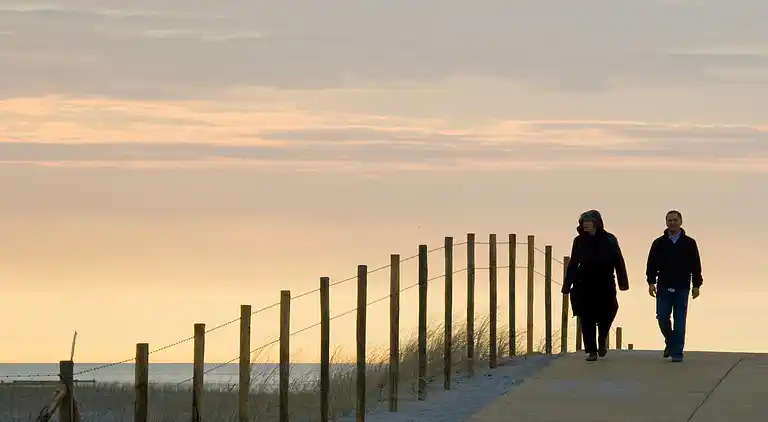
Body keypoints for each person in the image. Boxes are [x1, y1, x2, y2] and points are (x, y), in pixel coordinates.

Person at [562, 210, 630, 361]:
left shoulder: (609, 239)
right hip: (583, 283)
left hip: (605, 283)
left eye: (588, 221)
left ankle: (602, 337)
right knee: (586, 317)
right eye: (583, 222)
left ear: (596, 223)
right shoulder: (578, 241)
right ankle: (591, 351)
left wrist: (623, 283)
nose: (585, 224)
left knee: (609, 310)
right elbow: (573, 263)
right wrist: (567, 284)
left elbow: (618, 261)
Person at [646, 210, 702, 362]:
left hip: (682, 287)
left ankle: (677, 352)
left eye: (675, 220)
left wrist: (697, 285)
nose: (672, 223)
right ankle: (670, 342)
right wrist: (651, 282)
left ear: (681, 222)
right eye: (669, 220)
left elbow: (696, 265)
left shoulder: (689, 243)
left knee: (679, 320)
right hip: (664, 286)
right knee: (662, 317)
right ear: (666, 222)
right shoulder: (659, 243)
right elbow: (651, 264)